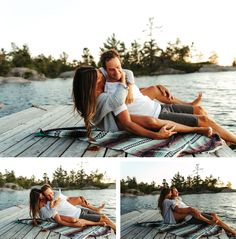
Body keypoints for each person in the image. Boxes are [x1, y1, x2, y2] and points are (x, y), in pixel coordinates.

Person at [72, 64, 236, 145]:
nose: (104, 82)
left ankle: (222, 138)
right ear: (88, 87)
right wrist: (124, 82)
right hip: (153, 115)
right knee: (203, 120)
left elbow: (125, 72)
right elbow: (123, 112)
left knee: (199, 110)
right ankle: (226, 139)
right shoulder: (105, 98)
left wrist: (127, 83)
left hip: (151, 108)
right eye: (100, 82)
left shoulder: (99, 95)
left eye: (103, 79)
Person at [157, 187, 236, 236]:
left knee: (214, 214)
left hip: (193, 214)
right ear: (170, 193)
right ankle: (233, 232)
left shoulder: (177, 200)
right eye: (175, 191)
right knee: (215, 220)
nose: (178, 192)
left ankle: (228, 230)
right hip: (191, 217)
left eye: (177, 191)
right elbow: (179, 210)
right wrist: (191, 210)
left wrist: (192, 210)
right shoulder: (171, 201)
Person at [40, 185, 116, 231]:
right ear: (44, 196)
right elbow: (57, 219)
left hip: (81, 210)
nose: (51, 196)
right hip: (79, 216)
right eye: (48, 195)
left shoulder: (58, 195)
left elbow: (68, 198)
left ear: (52, 190)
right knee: (104, 218)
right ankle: (116, 229)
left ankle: (114, 227)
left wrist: (79, 197)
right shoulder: (49, 207)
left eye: (51, 193)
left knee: (102, 214)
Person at [29, 188, 105, 228]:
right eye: (40, 197)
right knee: (73, 220)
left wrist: (53, 200)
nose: (43, 197)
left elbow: (57, 193)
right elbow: (48, 215)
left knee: (79, 199)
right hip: (51, 215)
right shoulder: (40, 204)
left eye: (42, 195)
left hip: (53, 209)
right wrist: (54, 205)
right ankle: (97, 223)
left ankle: (96, 209)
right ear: (36, 199)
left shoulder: (47, 195)